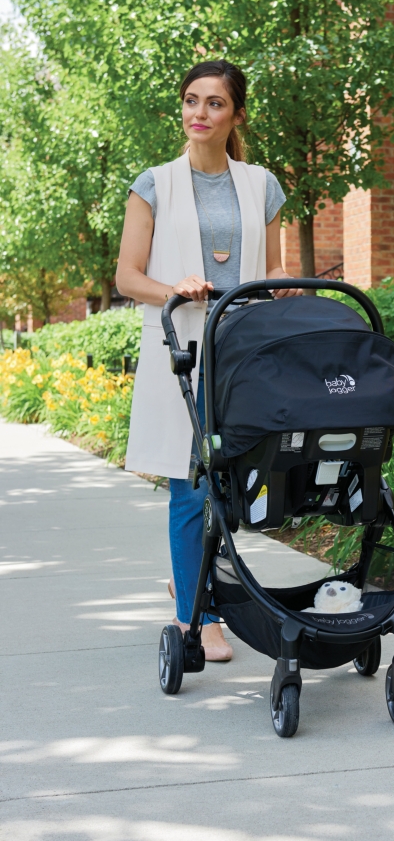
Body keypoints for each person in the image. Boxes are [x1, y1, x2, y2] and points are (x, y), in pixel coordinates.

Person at [116, 59, 300, 661]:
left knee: (238, 482)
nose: (199, 113)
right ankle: (199, 614)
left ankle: (192, 577)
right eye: (192, 101)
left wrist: (285, 284)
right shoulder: (154, 184)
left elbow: (271, 266)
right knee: (191, 486)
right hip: (182, 350)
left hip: (243, 348)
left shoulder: (260, 184)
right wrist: (174, 289)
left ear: (235, 115)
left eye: (214, 103)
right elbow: (127, 277)